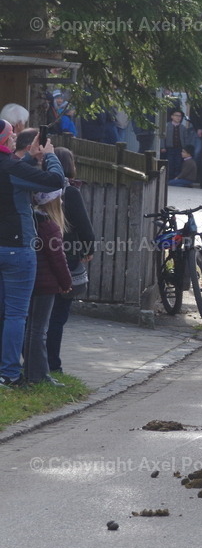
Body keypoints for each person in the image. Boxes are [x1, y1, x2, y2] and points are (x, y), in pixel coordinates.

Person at [0, 120, 65, 388]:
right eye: (10, 134)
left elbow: (18, 174)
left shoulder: (13, 165)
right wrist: (49, 156)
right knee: (16, 314)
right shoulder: (10, 167)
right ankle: (9, 373)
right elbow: (54, 181)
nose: (14, 137)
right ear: (3, 140)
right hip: (16, 248)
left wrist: (29, 156)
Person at [45, 147, 94, 376]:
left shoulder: (39, 186)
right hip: (66, 257)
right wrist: (88, 248)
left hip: (39, 256)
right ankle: (52, 364)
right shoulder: (69, 192)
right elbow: (85, 228)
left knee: (36, 317)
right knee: (57, 316)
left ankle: (32, 363)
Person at [25, 188, 71, 385]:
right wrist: (66, 282)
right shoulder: (50, 225)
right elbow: (58, 259)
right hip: (46, 285)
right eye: (58, 199)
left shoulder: (31, 220)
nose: (61, 203)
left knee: (30, 329)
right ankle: (40, 375)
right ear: (52, 202)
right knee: (39, 331)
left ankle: (30, 371)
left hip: (30, 281)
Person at [161, 108, 194, 180]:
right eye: (176, 115)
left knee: (178, 163)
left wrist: (185, 149)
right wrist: (162, 147)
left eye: (180, 116)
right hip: (169, 148)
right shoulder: (167, 126)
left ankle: (175, 178)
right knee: (170, 163)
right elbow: (163, 138)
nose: (178, 118)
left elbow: (186, 138)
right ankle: (169, 178)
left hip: (180, 149)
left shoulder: (183, 127)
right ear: (172, 116)